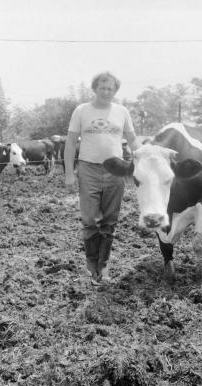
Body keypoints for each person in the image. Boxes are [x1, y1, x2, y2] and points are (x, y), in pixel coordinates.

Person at [64, 71, 140, 283]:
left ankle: (103, 266)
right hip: (88, 169)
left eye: (110, 89)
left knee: (110, 220)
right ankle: (90, 264)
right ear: (95, 89)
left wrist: (146, 154)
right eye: (102, 88)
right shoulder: (82, 111)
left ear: (115, 91)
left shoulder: (122, 111)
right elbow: (70, 142)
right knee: (90, 220)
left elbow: (133, 140)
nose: (106, 92)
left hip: (115, 169)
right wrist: (69, 173)